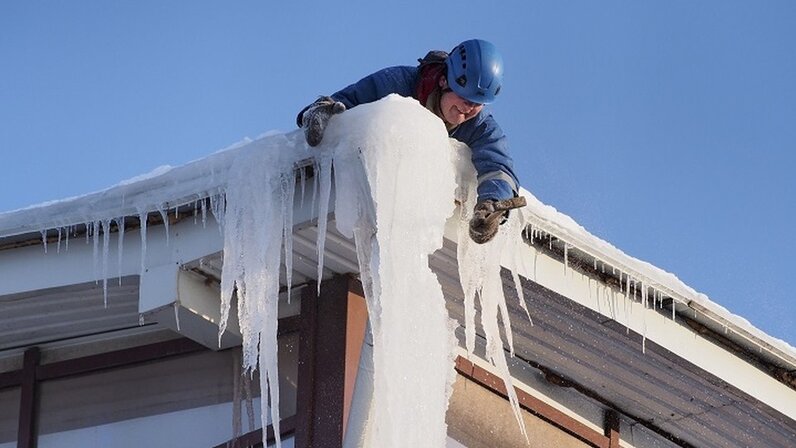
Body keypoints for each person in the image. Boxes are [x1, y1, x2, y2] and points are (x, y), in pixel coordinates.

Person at [297, 39, 525, 244]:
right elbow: (347, 101)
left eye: (477, 104)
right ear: (445, 81)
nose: (468, 109)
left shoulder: (480, 126)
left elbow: (498, 165)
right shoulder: (397, 84)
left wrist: (493, 204)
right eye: (464, 98)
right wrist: (322, 110)